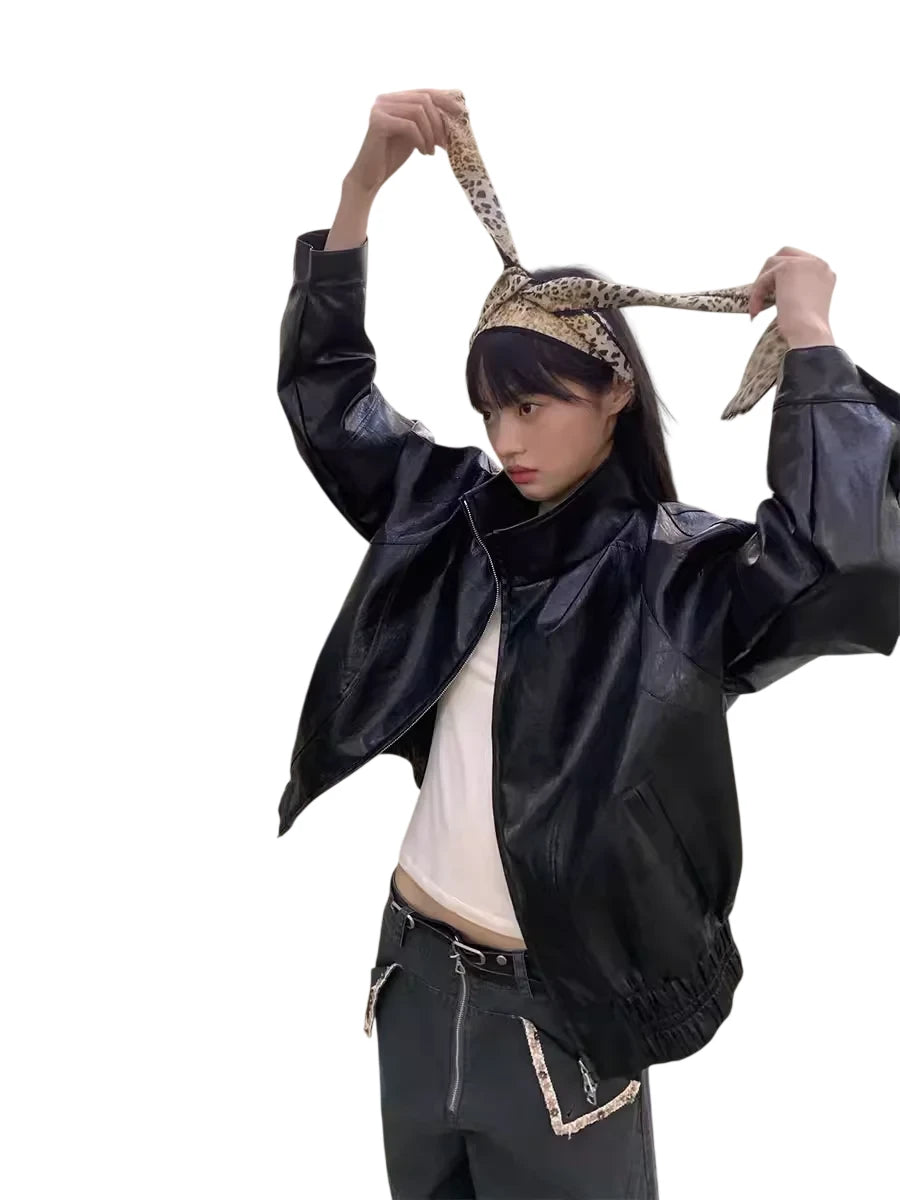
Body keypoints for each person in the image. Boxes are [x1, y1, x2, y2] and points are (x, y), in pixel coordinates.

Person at [275, 89, 900, 1199]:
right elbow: (330, 402)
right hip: (414, 975)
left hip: (556, 1020)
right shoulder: (452, 515)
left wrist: (811, 338)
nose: (507, 437)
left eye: (534, 405)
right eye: (491, 409)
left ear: (614, 391)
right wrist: (360, 190)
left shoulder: (677, 577)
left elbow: (844, 565)